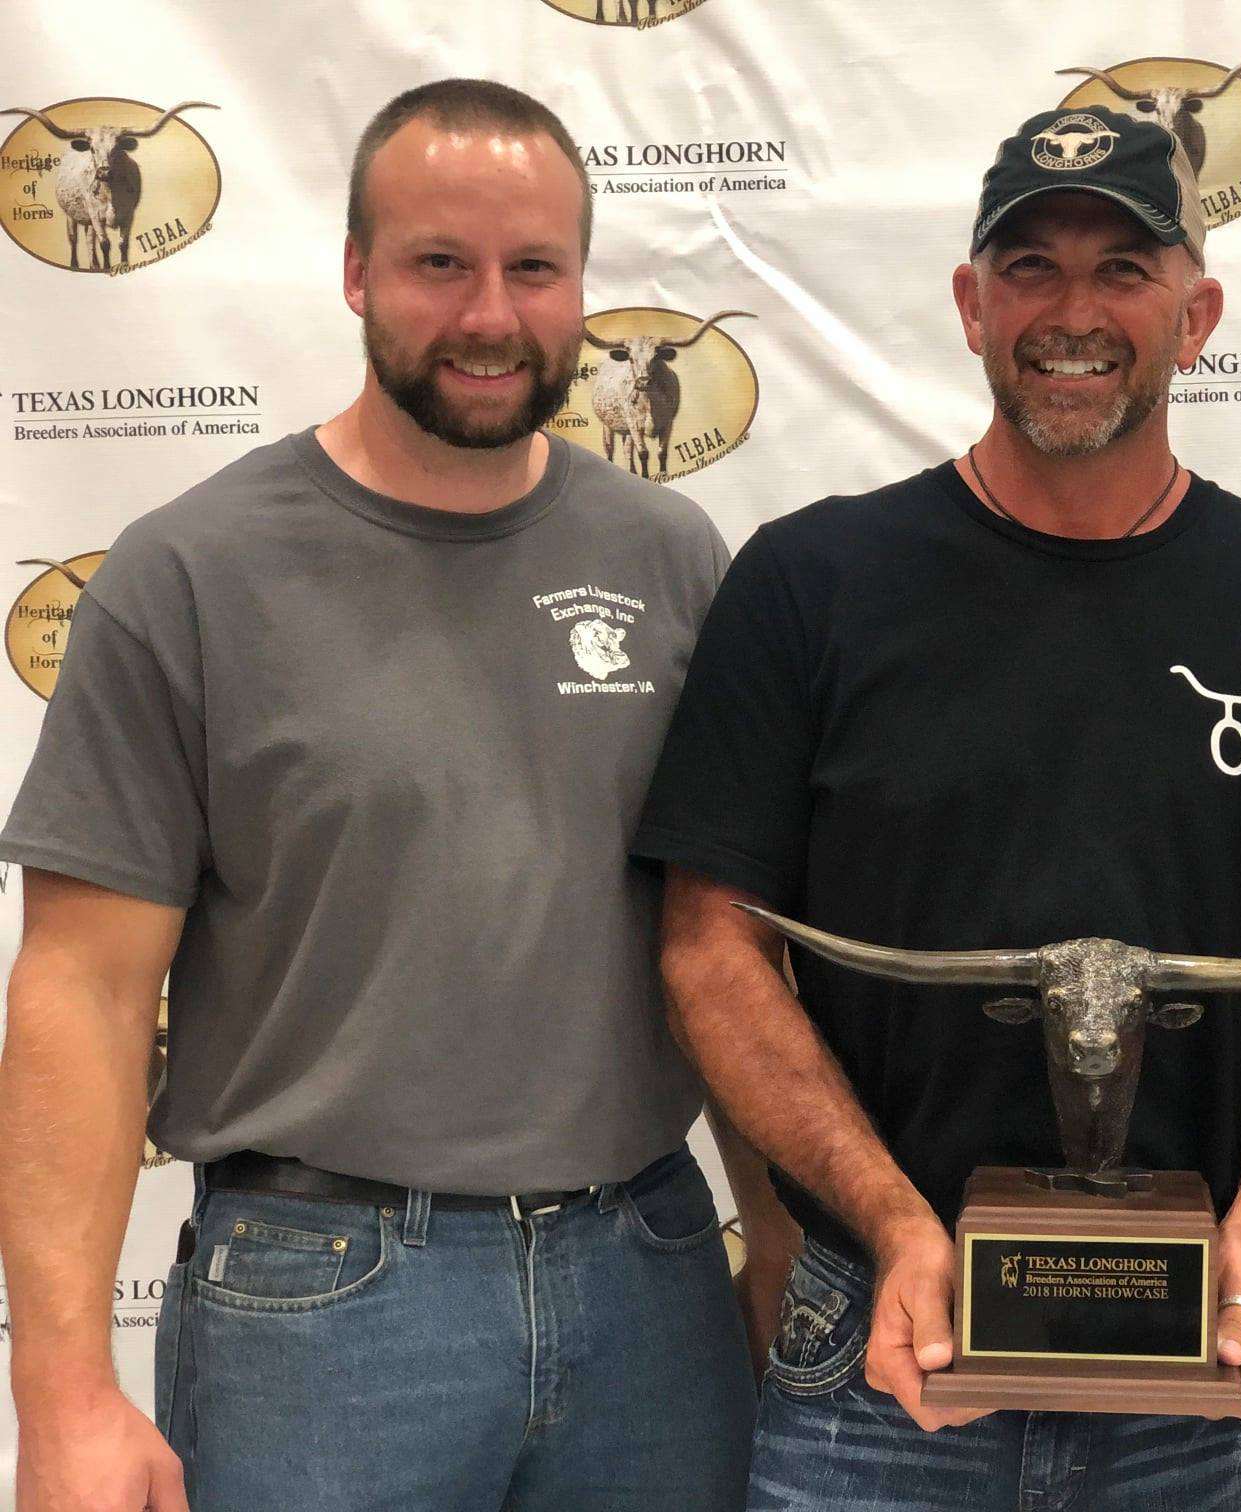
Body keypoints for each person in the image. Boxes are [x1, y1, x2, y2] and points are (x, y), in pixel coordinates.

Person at [638, 104, 1241, 1510]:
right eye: (1032, 269)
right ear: (970, 305)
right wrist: (891, 1224)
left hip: (1215, 1363)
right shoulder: (809, 584)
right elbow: (712, 947)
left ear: (1199, 313)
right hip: (885, 1360)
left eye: (1125, 270)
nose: (1075, 313)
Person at [0, 79, 754, 1512]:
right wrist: (63, 1393)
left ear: (581, 284)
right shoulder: (189, 578)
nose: (489, 316)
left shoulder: (673, 559)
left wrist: (775, 1245)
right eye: (436, 264)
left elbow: (725, 955)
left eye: (533, 269)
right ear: (355, 272)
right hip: (325, 1306)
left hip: (649, 1279)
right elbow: (80, 999)